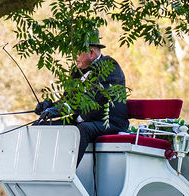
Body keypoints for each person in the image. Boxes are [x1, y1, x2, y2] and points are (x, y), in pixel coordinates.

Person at [34, 31, 129, 163]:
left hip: (108, 123)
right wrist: (49, 107)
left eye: (78, 52)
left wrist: (59, 110)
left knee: (82, 130)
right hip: (82, 122)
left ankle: (66, 171)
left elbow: (94, 100)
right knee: (40, 126)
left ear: (91, 52)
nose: (74, 56)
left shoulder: (110, 67)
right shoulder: (76, 71)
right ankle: (40, 167)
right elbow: (67, 100)